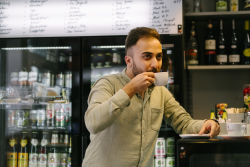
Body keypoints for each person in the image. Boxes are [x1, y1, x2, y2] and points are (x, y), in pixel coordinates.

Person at [82, 27, 220, 167]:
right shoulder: (107, 84)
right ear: (129, 61)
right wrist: (130, 89)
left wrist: (206, 124)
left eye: (159, 57)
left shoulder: (160, 91)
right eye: (147, 56)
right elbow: (92, 123)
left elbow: (184, 123)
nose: (156, 64)